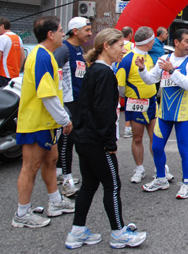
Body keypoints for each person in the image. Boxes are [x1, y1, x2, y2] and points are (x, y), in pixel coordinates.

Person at [65, 28, 147, 249]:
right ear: (106, 46)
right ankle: (119, 233)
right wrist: (109, 144)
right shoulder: (104, 74)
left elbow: (85, 107)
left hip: (84, 139)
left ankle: (77, 232)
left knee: (90, 184)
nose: (124, 50)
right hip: (96, 142)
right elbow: (104, 113)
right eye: (120, 46)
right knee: (112, 184)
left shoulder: (94, 70)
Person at [12, 16, 74, 228]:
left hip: (47, 123)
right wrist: (64, 119)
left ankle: (55, 202)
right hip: (36, 123)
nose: (62, 35)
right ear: (50, 34)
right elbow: (47, 95)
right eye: (60, 31)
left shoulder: (45, 55)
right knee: (30, 167)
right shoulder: (41, 56)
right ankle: (22, 213)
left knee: (51, 160)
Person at [136, 29, 188, 200]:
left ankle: (186, 183)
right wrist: (142, 69)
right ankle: (161, 179)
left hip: (183, 115)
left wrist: (172, 71)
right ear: (177, 42)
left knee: (183, 149)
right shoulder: (165, 59)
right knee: (156, 147)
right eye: (186, 41)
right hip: (164, 113)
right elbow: (151, 79)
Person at [53, 16, 92, 198]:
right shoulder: (63, 49)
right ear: (75, 31)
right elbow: (53, 73)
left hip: (78, 102)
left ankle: (61, 173)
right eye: (87, 30)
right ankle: (65, 180)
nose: (90, 34)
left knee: (72, 141)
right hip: (67, 103)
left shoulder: (78, 49)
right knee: (67, 142)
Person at [116, 26, 161, 184]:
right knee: (137, 137)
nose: (154, 41)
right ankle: (139, 168)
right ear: (148, 41)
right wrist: (130, 96)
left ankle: (159, 168)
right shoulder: (127, 59)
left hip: (151, 102)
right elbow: (120, 85)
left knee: (155, 136)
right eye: (153, 38)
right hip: (135, 103)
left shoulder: (148, 57)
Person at [0, 17, 24, 87]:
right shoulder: (18, 38)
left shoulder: (2, 38)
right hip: (15, 75)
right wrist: (18, 70)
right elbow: (23, 57)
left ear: (2, 26)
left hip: (4, 74)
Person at [121, 26, 135, 138]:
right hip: (128, 73)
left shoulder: (118, 43)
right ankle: (127, 128)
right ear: (130, 35)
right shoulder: (131, 45)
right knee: (129, 100)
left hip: (117, 72)